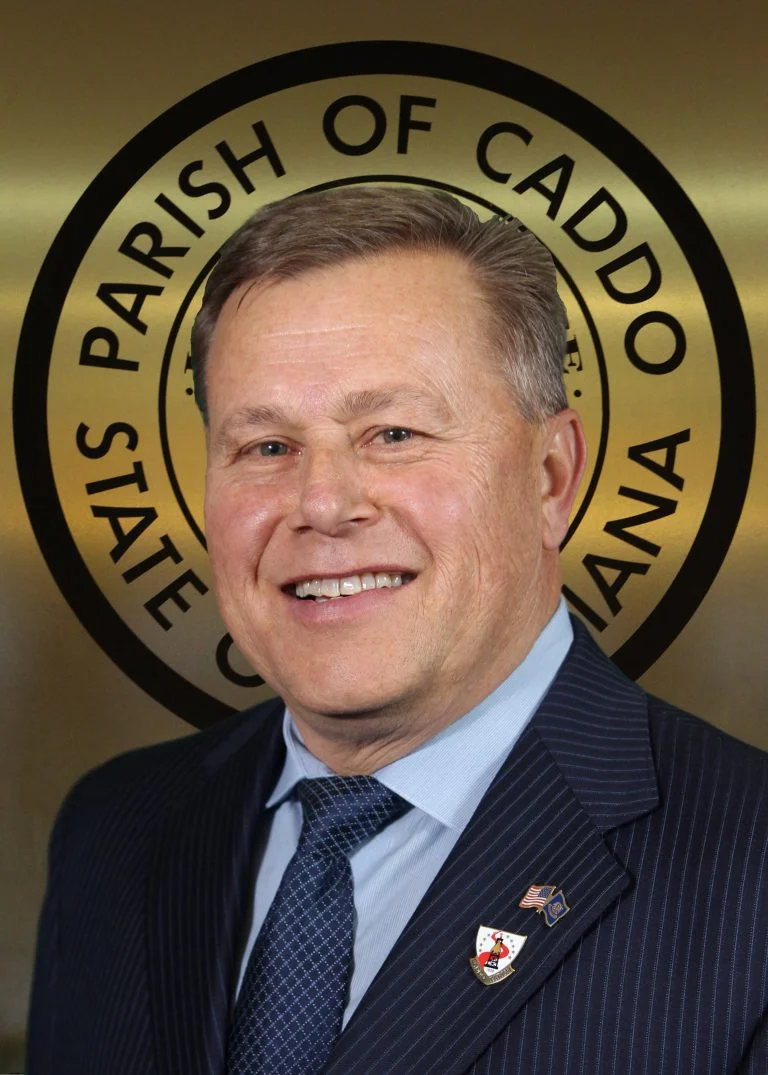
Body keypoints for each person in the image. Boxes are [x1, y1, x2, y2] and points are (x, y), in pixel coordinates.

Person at [28, 187, 768, 1074]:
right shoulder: (114, 831)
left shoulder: (750, 866)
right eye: (266, 447)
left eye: (393, 432)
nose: (322, 502)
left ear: (551, 476)